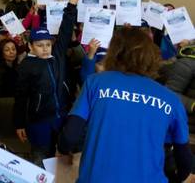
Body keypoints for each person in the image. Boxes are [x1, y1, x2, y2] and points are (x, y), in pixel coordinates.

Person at [57, 27, 192, 182]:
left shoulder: (96, 83)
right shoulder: (171, 99)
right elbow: (185, 161)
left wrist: (62, 149)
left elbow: (69, 136)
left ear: (114, 52)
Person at [13, 0, 78, 165]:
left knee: (61, 161)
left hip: (61, 118)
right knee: (41, 159)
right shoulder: (26, 66)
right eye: (40, 45)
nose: (45, 49)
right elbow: (21, 97)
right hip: (39, 121)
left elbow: (65, 31)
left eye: (48, 44)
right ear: (30, 46)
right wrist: (19, 124)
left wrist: (71, 5)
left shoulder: (57, 56)